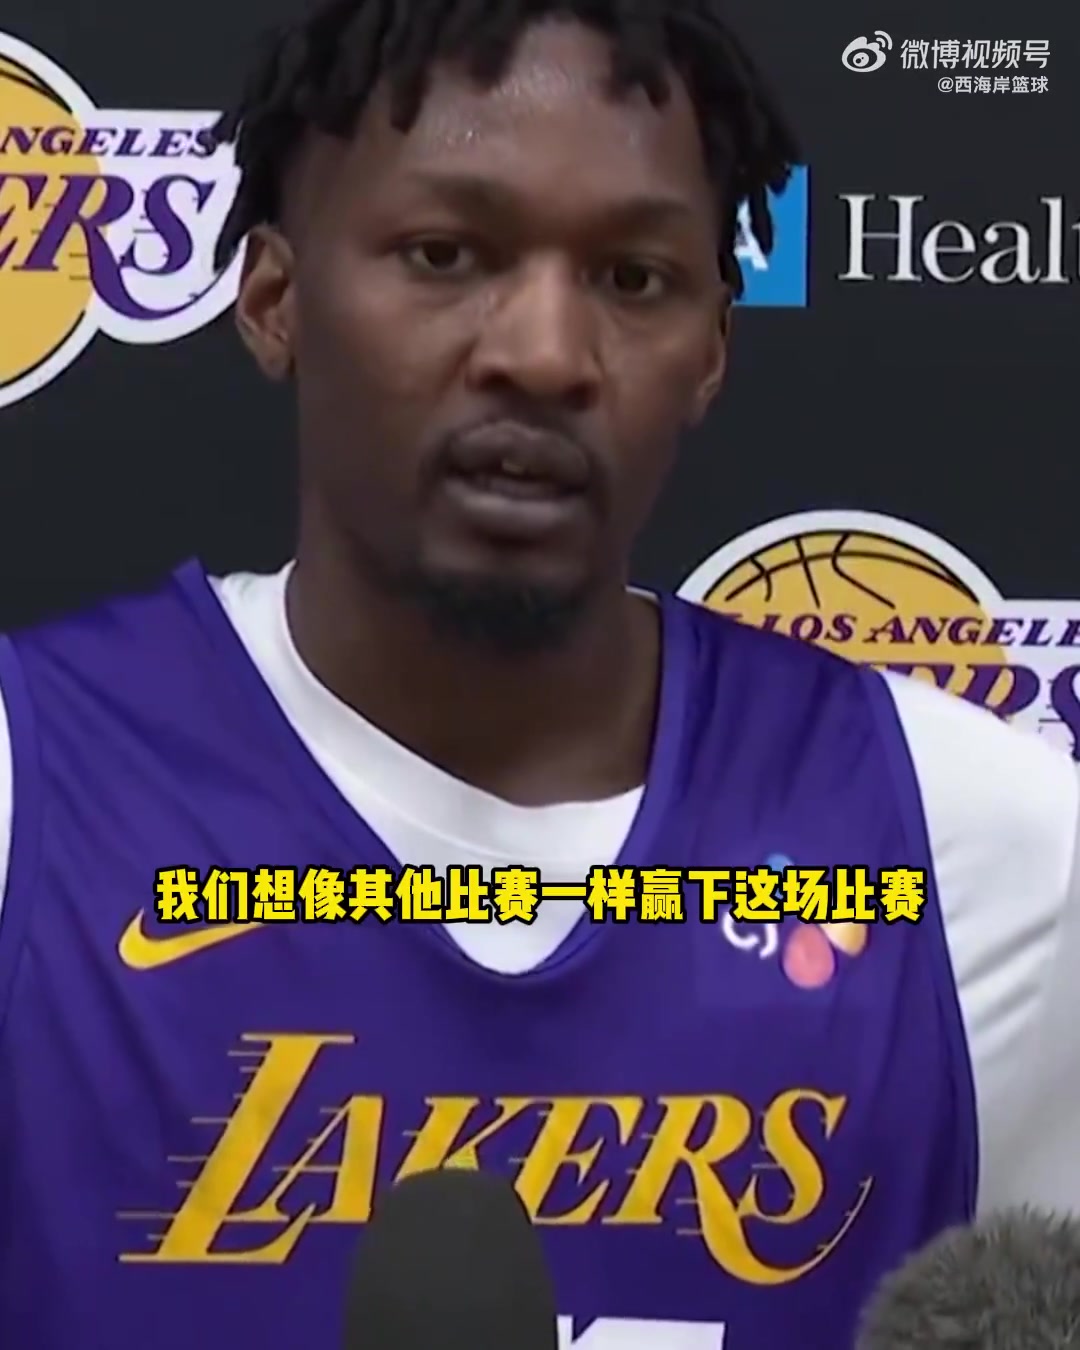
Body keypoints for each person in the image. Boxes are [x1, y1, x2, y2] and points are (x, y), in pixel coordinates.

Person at [0, 0, 1076, 1346]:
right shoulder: (24, 795)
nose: (546, 354)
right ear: (273, 299)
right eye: (446, 254)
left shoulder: (991, 849)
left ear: (713, 350)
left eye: (634, 278)